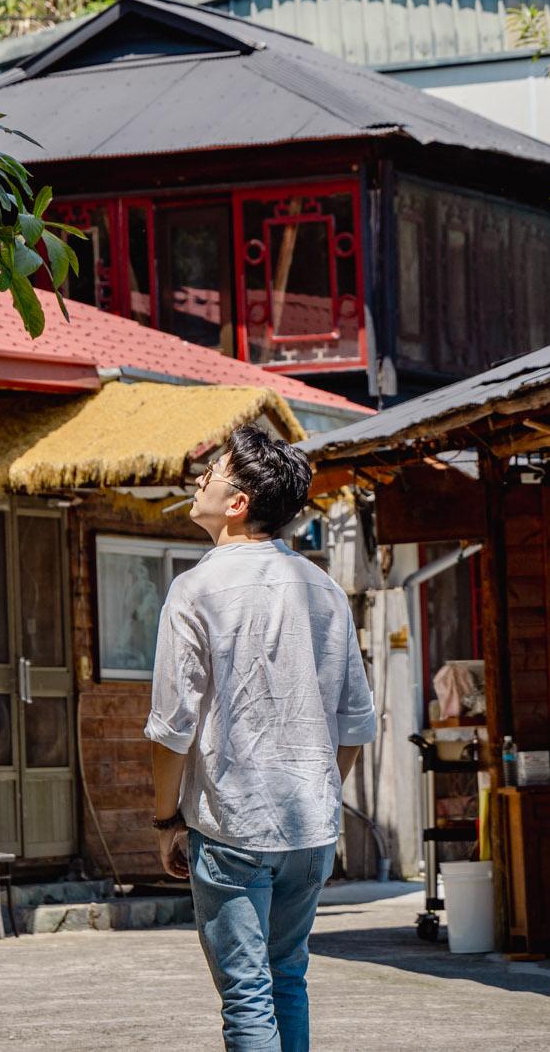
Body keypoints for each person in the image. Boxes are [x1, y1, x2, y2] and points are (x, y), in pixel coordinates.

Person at [145, 426, 376, 1052]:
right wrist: (320, 795)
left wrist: (167, 818)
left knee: (247, 994)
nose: (199, 482)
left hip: (231, 827)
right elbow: (355, 724)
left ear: (239, 501)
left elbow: (172, 729)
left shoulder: (194, 590)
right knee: (288, 979)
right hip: (310, 829)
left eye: (212, 473)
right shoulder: (324, 589)